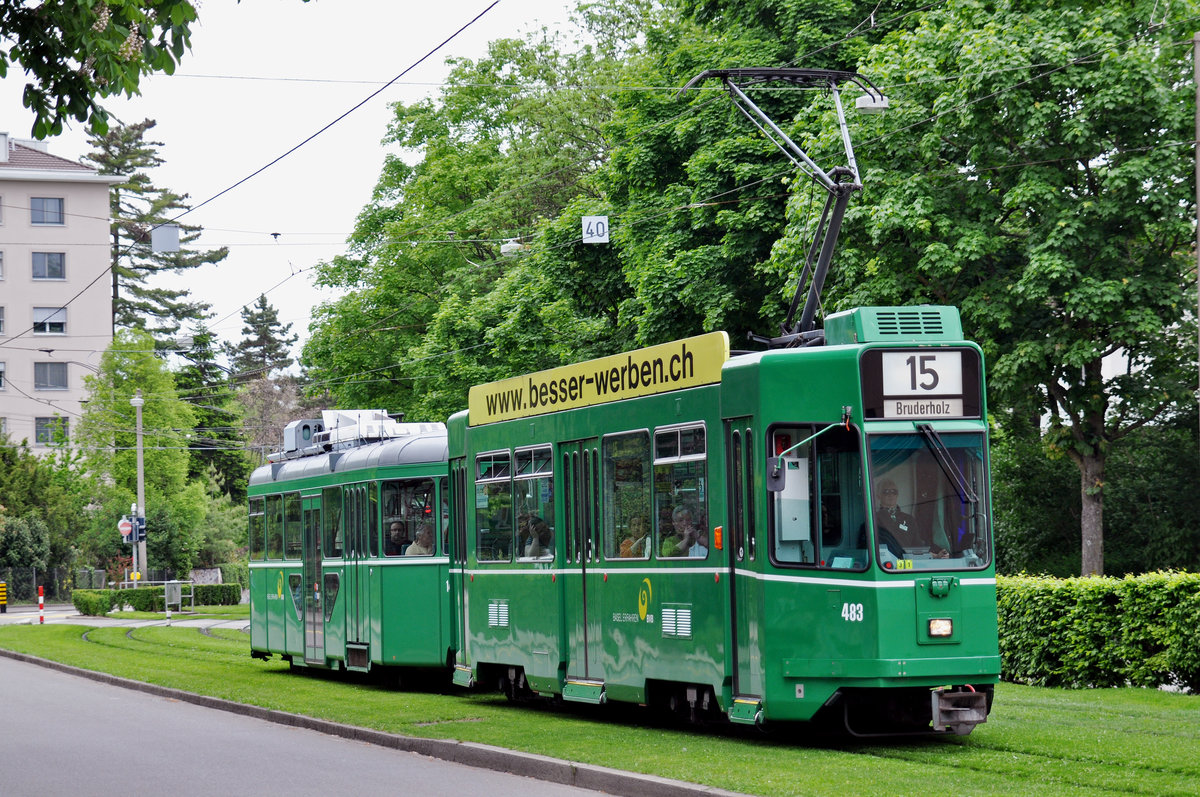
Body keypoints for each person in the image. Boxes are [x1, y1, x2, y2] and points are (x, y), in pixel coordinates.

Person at [873, 478, 912, 558]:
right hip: (884, 564)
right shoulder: (873, 519)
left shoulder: (909, 519)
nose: (891, 495)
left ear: (897, 495)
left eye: (894, 492)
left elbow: (918, 546)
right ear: (878, 496)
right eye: (886, 492)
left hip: (908, 563)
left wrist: (934, 555)